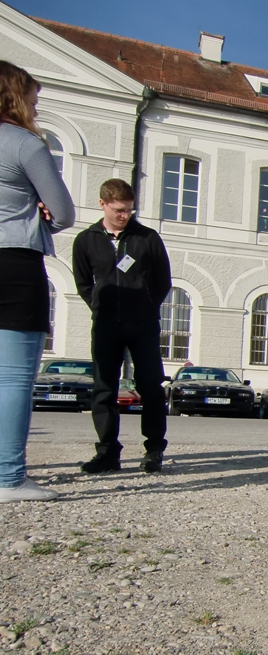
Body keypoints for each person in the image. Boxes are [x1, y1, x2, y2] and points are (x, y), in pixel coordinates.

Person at [0, 61, 75, 503]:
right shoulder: (25, 144)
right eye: (32, 99)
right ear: (14, 98)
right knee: (12, 379)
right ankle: (8, 478)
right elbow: (63, 212)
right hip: (14, 262)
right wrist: (41, 212)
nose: (35, 107)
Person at [73, 179, 171, 473]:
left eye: (129, 210)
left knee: (150, 386)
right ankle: (107, 452)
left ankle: (154, 449)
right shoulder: (86, 240)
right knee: (104, 388)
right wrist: (100, 307)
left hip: (143, 325)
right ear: (102, 204)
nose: (125, 215)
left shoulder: (147, 238)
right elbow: (83, 283)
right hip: (106, 325)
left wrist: (145, 307)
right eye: (119, 210)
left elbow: (163, 281)